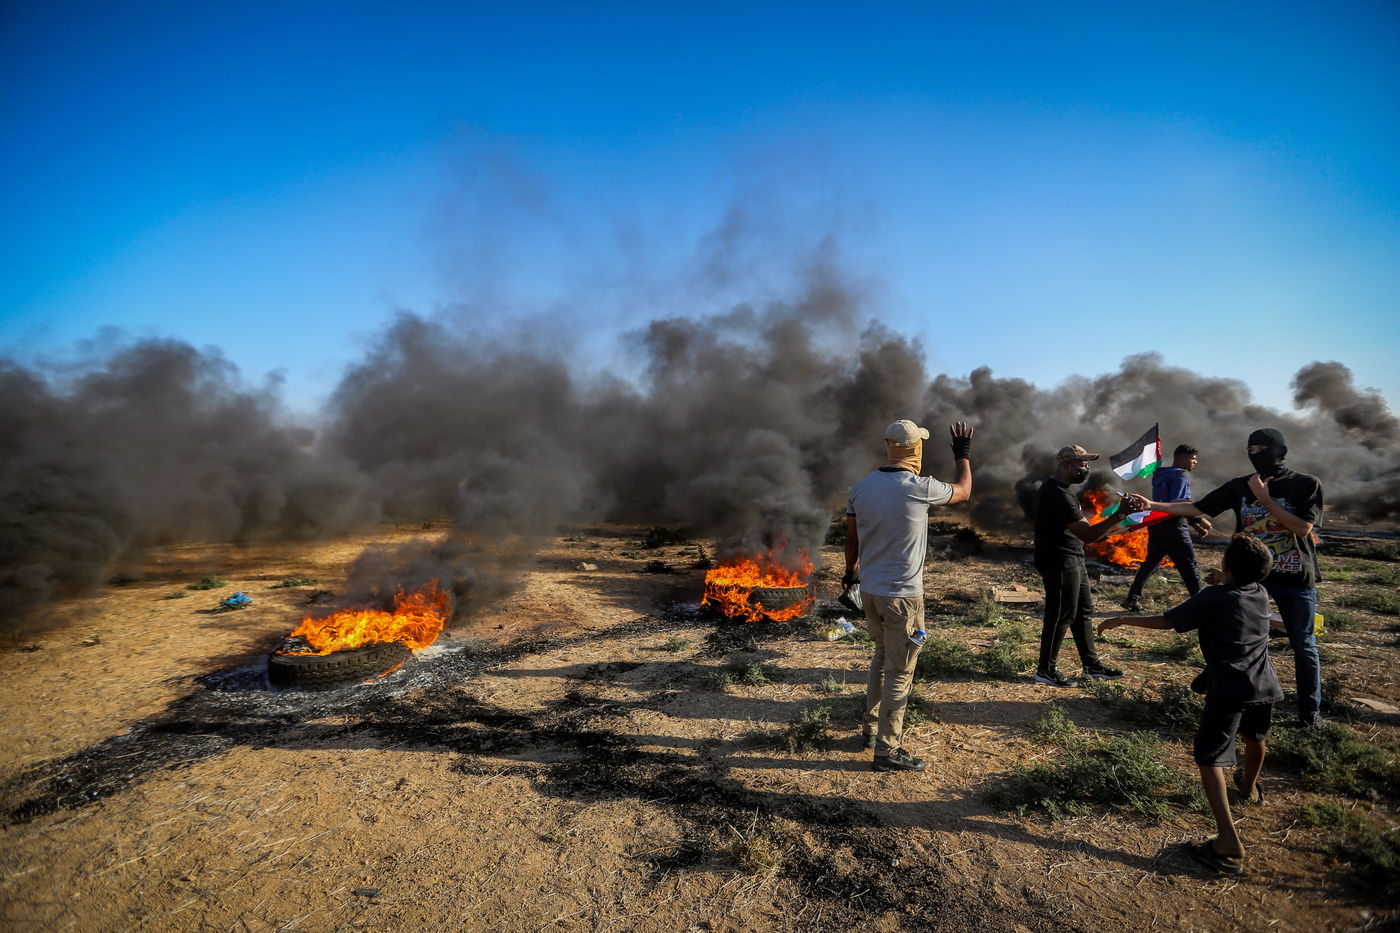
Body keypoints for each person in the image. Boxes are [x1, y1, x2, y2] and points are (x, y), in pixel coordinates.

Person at [1098, 534, 1281, 876]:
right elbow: (1233, 592)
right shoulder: (1259, 592)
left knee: (1209, 757)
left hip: (1228, 687)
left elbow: (1169, 621)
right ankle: (1250, 789)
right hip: (1264, 682)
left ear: (1227, 566)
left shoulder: (1213, 597)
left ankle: (1227, 840)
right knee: (1255, 737)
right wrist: (1224, 578)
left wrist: (1122, 619)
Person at [1123, 428, 1325, 727]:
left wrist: (1264, 499)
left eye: (1261, 449)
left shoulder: (1305, 484)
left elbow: (1303, 529)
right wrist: (1151, 505)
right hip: (1250, 579)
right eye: (1250, 449)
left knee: (1303, 644)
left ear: (1279, 450)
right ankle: (1221, 682)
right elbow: (1196, 507)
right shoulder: (1240, 486)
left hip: (1294, 578)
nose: (1255, 455)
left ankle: (1310, 714)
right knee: (1233, 637)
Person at [844, 419, 973, 772]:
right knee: (900, 671)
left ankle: (871, 730)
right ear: (916, 449)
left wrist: (849, 572)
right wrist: (962, 454)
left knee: (881, 656)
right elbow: (963, 491)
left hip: (869, 591)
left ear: (888, 445)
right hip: (902, 597)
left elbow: (851, 541)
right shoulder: (920, 487)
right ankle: (887, 750)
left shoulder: (860, 489)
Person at [1033, 445, 1134, 687]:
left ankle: (1091, 666)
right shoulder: (1058, 493)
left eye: (1087, 463)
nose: (1086, 468)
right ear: (1066, 464)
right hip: (1059, 560)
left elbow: (1085, 532)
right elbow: (1087, 534)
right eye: (1082, 463)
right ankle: (1045, 671)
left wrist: (1113, 526)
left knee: (1082, 613)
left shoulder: (1065, 491)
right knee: (1060, 615)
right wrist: (1119, 515)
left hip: (1073, 557)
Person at [1122, 444, 1208, 611]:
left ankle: (1132, 599)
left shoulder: (1160, 475)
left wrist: (1197, 524)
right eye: (1193, 458)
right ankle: (1201, 604)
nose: (1195, 462)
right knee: (1189, 565)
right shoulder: (1179, 477)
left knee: (1151, 563)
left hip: (1156, 526)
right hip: (1174, 528)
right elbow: (1180, 504)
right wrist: (1197, 521)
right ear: (1182, 458)